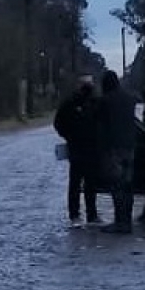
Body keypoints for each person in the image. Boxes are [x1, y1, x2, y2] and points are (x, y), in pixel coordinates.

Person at [54, 75, 101, 227]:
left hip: (91, 148)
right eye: (85, 83)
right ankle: (75, 215)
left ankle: (91, 215)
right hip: (78, 148)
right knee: (76, 183)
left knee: (89, 184)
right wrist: (69, 136)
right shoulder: (71, 103)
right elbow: (58, 123)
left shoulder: (95, 102)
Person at [96, 70, 138, 234]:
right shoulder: (130, 99)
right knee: (128, 186)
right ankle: (127, 221)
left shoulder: (105, 101)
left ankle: (120, 222)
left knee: (117, 186)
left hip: (114, 149)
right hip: (130, 147)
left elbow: (100, 127)